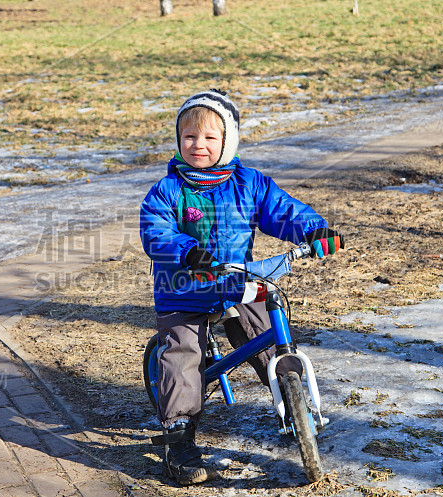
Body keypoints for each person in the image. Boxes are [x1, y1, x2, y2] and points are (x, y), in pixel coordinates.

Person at [139, 89, 344, 485]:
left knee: (267, 326)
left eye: (209, 138)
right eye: (189, 137)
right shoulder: (168, 191)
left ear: (228, 141)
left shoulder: (250, 184)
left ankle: (292, 398)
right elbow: (155, 232)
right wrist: (186, 251)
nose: (198, 145)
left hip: (236, 278)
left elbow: (283, 211)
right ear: (178, 140)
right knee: (183, 355)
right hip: (184, 286)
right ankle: (178, 438)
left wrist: (314, 229)